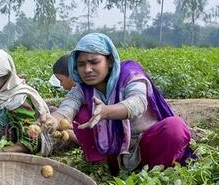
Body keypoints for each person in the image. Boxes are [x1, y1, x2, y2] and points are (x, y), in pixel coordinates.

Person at [51, 33, 194, 174]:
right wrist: (53, 119)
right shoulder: (83, 88)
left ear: (110, 61)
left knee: (175, 128)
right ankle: (103, 166)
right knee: (81, 112)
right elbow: (69, 105)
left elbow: (138, 103)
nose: (87, 69)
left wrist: (106, 112)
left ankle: (155, 172)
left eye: (94, 62)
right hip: (112, 152)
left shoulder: (130, 74)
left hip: (146, 144)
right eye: (81, 64)